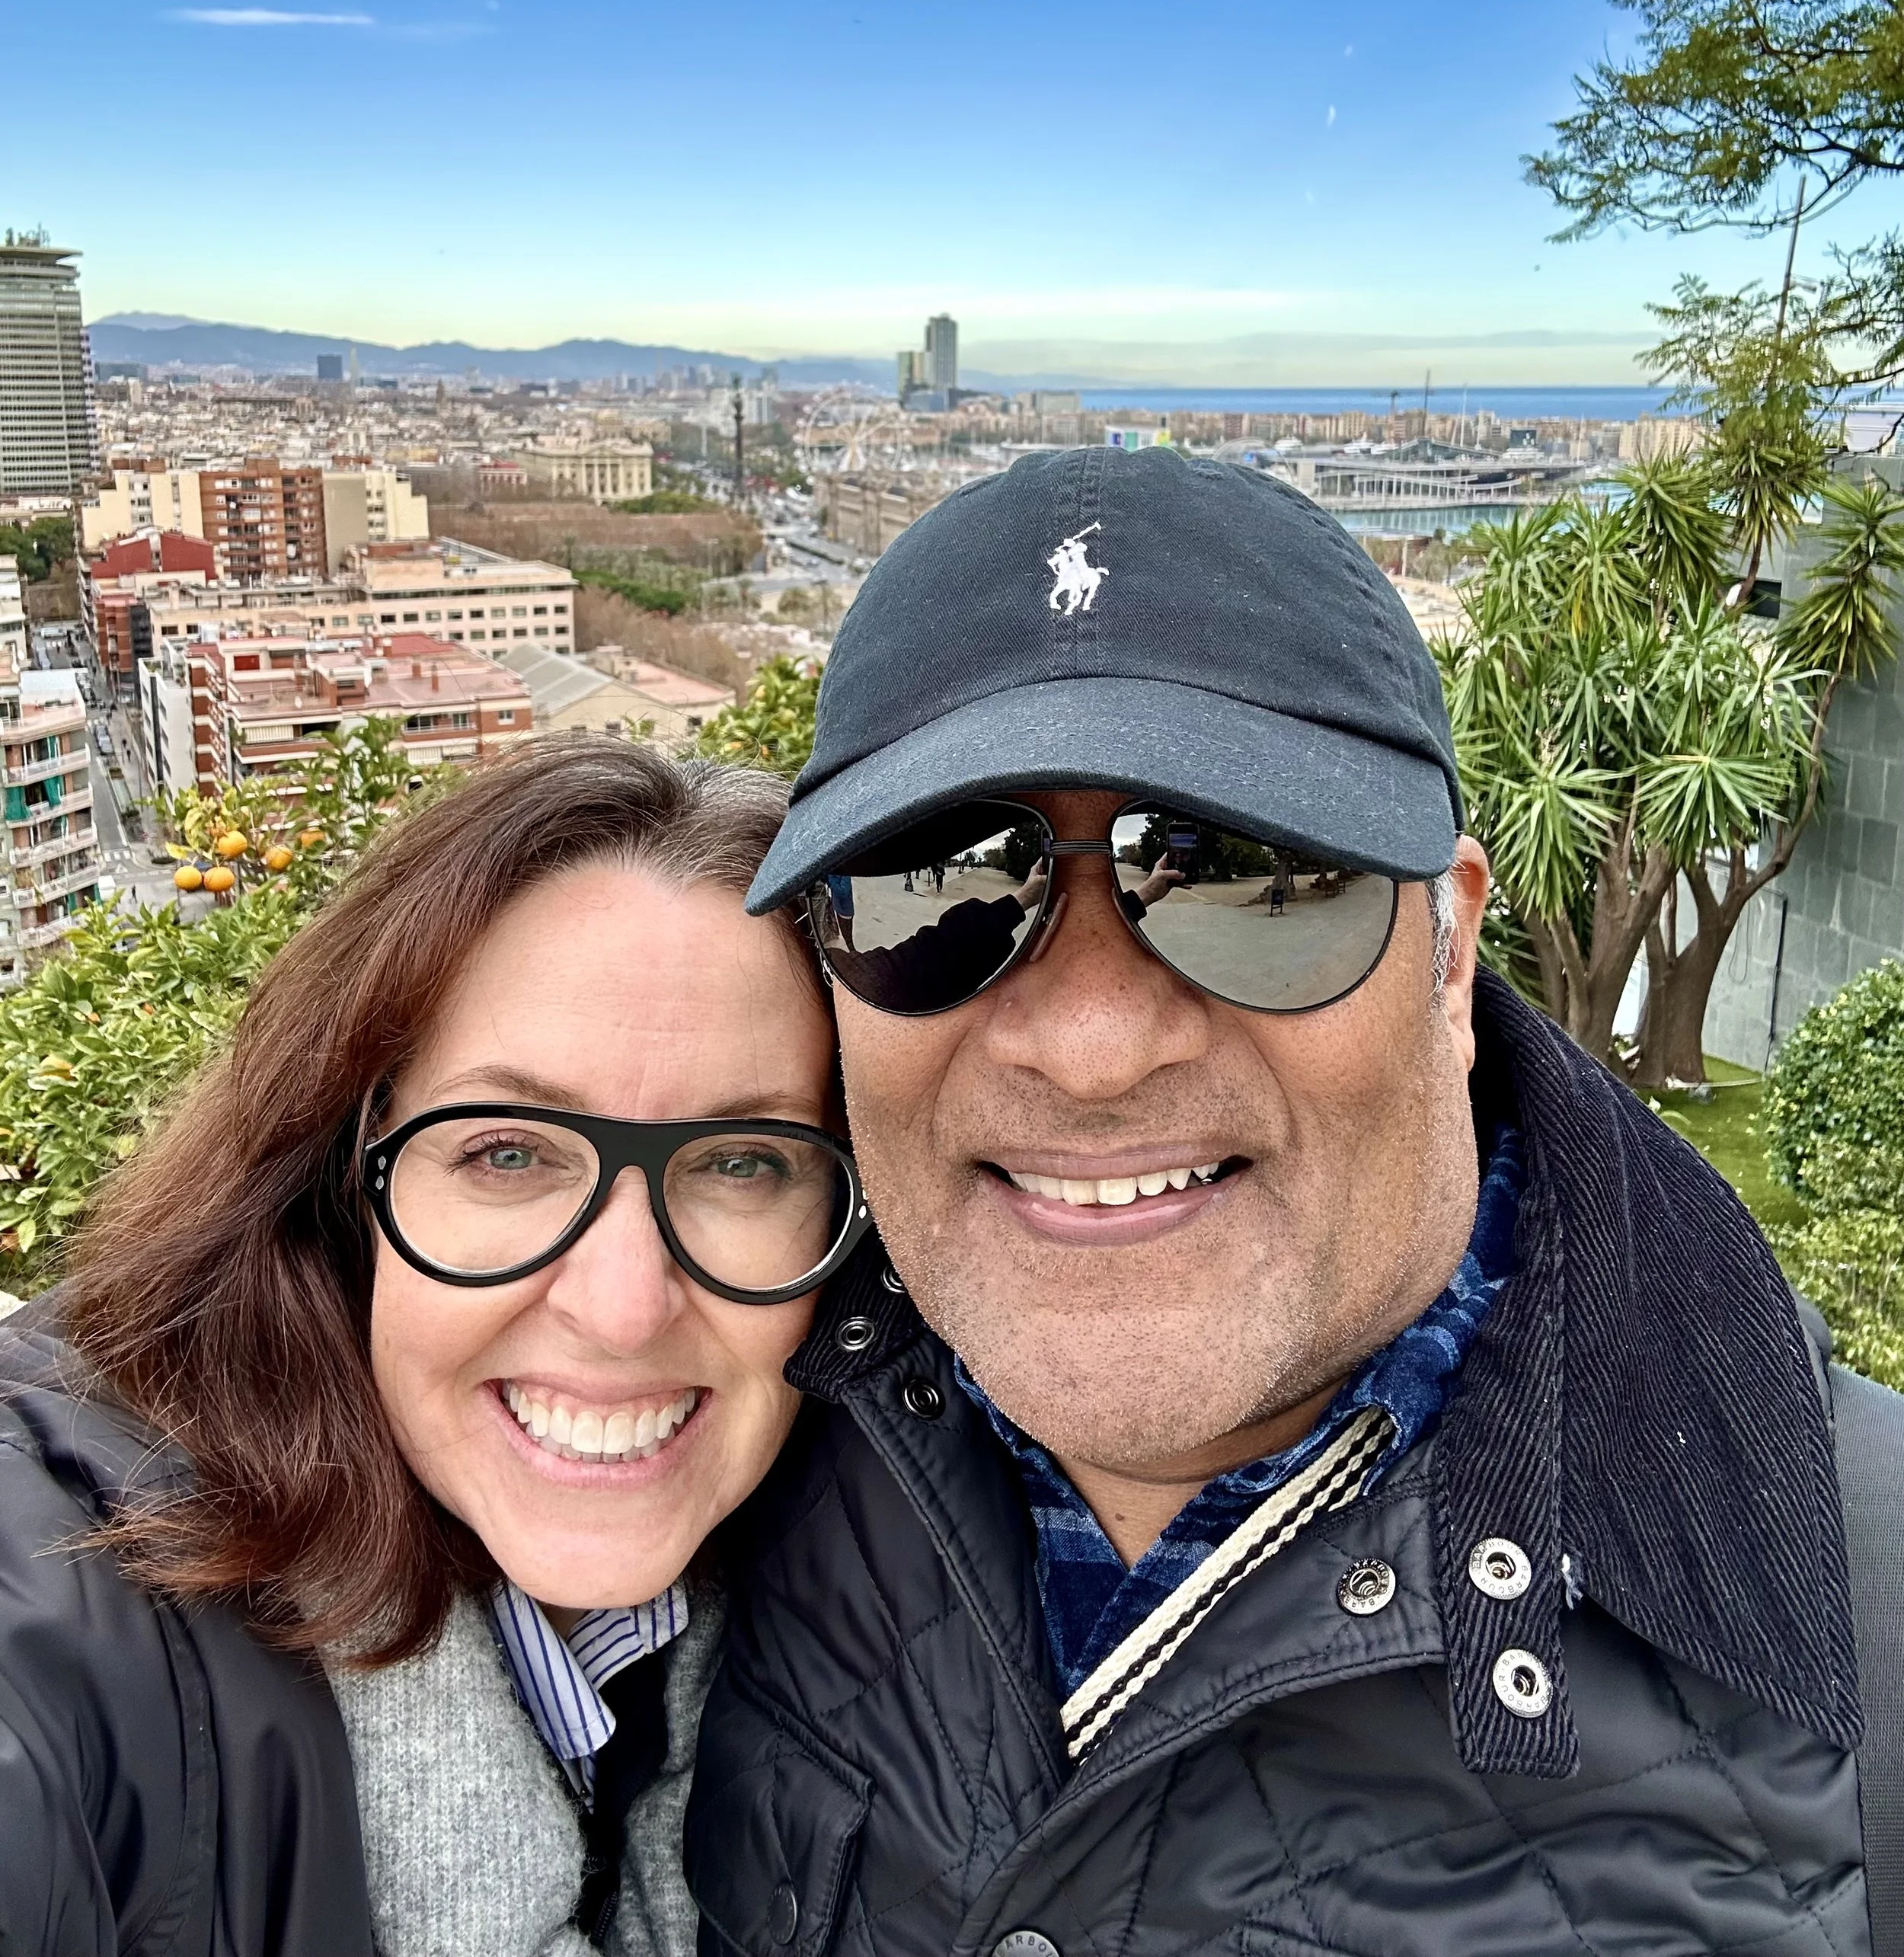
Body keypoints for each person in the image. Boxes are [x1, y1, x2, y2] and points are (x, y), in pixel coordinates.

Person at [685, 445, 1904, 1957]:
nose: (1088, 1044)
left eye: (1241, 876)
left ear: (1448, 954)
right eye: (939, 891)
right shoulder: (711, 1450)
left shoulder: (1856, 1607)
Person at [0, 742, 867, 1957]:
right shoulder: (72, 1605)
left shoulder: (841, 1608)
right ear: (343, 1180)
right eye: (508, 1153)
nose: (622, 1307)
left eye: (741, 1164)